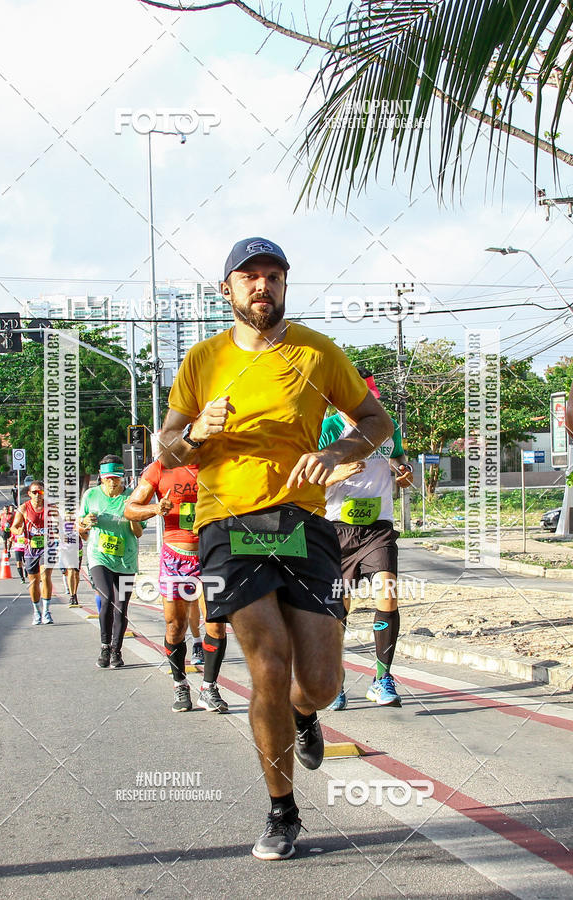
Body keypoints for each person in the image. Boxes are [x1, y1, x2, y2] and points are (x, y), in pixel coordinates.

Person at [158, 237, 393, 860]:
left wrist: (338, 452)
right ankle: (282, 810)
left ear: (285, 284)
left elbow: (377, 422)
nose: (262, 286)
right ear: (227, 289)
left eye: (273, 276)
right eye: (249, 276)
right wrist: (194, 433)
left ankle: (307, 714)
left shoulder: (316, 351)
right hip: (226, 521)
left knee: (317, 681)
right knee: (266, 659)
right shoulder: (202, 359)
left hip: (302, 519)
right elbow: (168, 445)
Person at [320, 368, 414, 710]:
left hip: (379, 525)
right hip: (336, 528)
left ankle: (382, 679)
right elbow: (309, 475)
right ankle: (335, 681)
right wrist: (336, 471)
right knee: (337, 607)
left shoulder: (386, 426)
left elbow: (398, 456)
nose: (363, 405)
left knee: (388, 592)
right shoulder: (328, 428)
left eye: (368, 398)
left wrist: (404, 471)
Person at [125, 461, 228, 713]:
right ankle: (180, 683)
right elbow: (130, 509)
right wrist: (156, 508)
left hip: (211, 554)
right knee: (176, 626)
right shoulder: (159, 468)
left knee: (216, 622)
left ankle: (209, 687)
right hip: (176, 557)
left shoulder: (217, 459)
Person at [78, 456, 144, 669]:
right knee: (107, 598)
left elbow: (139, 533)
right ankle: (105, 646)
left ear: (122, 478)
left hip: (125, 559)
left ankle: (117, 650)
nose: (113, 483)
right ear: (101, 477)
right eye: (108, 479)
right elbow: (81, 529)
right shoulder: (91, 495)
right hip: (99, 557)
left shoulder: (131, 497)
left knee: (121, 606)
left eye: (116, 478)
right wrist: (86, 523)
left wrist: (132, 514)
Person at [11, 481, 55, 624]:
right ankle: (37, 611)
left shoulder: (50, 507)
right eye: (34, 492)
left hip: (47, 547)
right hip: (30, 549)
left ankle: (47, 612)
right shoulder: (23, 508)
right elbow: (13, 527)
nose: (37, 495)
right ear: (29, 494)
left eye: (40, 492)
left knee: (45, 575)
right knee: (34, 581)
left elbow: (60, 522)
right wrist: (18, 531)